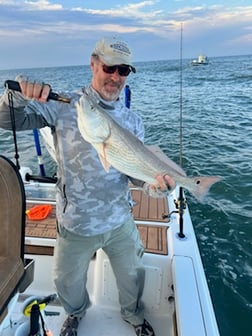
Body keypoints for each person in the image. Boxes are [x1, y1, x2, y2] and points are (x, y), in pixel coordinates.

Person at [0, 37, 174, 336]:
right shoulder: (62, 105)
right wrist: (17, 98)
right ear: (93, 64)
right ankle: (74, 314)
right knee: (66, 281)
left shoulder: (133, 121)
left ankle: (133, 316)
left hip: (120, 219)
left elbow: (133, 173)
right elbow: (7, 121)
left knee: (131, 276)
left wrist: (153, 187)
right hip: (76, 222)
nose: (115, 76)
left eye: (124, 70)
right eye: (109, 67)